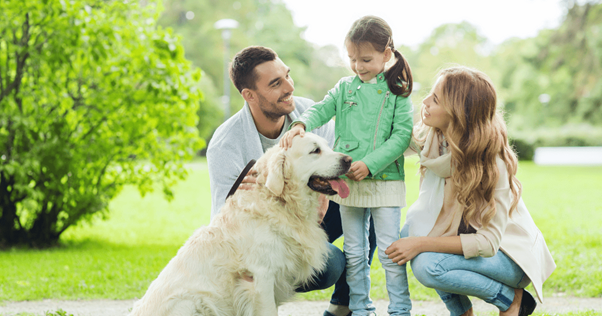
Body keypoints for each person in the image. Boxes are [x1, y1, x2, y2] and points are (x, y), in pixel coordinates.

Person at [206, 46, 377, 316]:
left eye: (287, 75)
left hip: (310, 212)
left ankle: (341, 309)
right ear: (249, 95)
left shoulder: (308, 112)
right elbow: (224, 223)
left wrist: (322, 195)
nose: (289, 87)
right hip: (267, 235)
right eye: (276, 83)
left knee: (370, 207)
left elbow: (336, 159)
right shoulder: (226, 145)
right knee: (331, 264)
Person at [385, 66, 556, 316]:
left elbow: (488, 243)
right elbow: (391, 144)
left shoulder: (491, 162)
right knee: (414, 228)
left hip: (508, 257)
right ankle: (463, 312)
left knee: (428, 264)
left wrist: (420, 243)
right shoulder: (434, 137)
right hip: (473, 243)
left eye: (435, 99)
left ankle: (510, 299)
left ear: (458, 113)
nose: (424, 102)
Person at [281, 16, 414, 316]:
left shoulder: (399, 93)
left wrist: (370, 164)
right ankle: (360, 308)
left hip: (385, 183)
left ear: (387, 53)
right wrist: (302, 123)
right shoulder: (344, 88)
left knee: (390, 254)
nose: (358, 66)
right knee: (355, 253)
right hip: (350, 185)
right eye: (353, 59)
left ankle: (400, 310)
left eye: (366, 59)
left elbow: (401, 137)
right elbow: (322, 108)